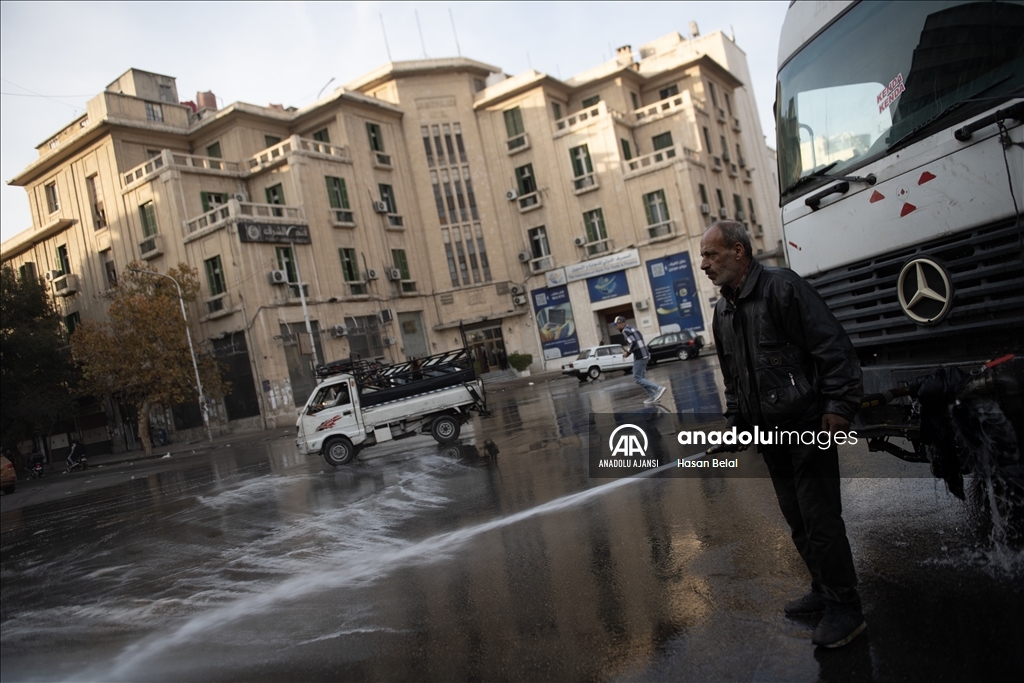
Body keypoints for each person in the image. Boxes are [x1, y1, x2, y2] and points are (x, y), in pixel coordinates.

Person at [699, 220, 866, 649]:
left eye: (711, 255)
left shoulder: (782, 287)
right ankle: (822, 588)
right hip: (770, 438)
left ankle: (846, 609)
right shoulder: (723, 311)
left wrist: (838, 407)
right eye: (703, 257)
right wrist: (735, 427)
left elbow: (833, 348)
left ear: (739, 252)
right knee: (797, 519)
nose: (704, 264)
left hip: (809, 427)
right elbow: (734, 380)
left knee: (820, 521)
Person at [614, 315, 666, 404]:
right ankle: (652, 396)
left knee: (637, 378)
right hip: (645, 354)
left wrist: (627, 352)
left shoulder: (625, 331)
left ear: (621, 323)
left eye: (616, 325)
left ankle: (658, 388)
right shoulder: (633, 328)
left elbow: (633, 342)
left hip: (639, 356)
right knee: (641, 378)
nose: (616, 327)